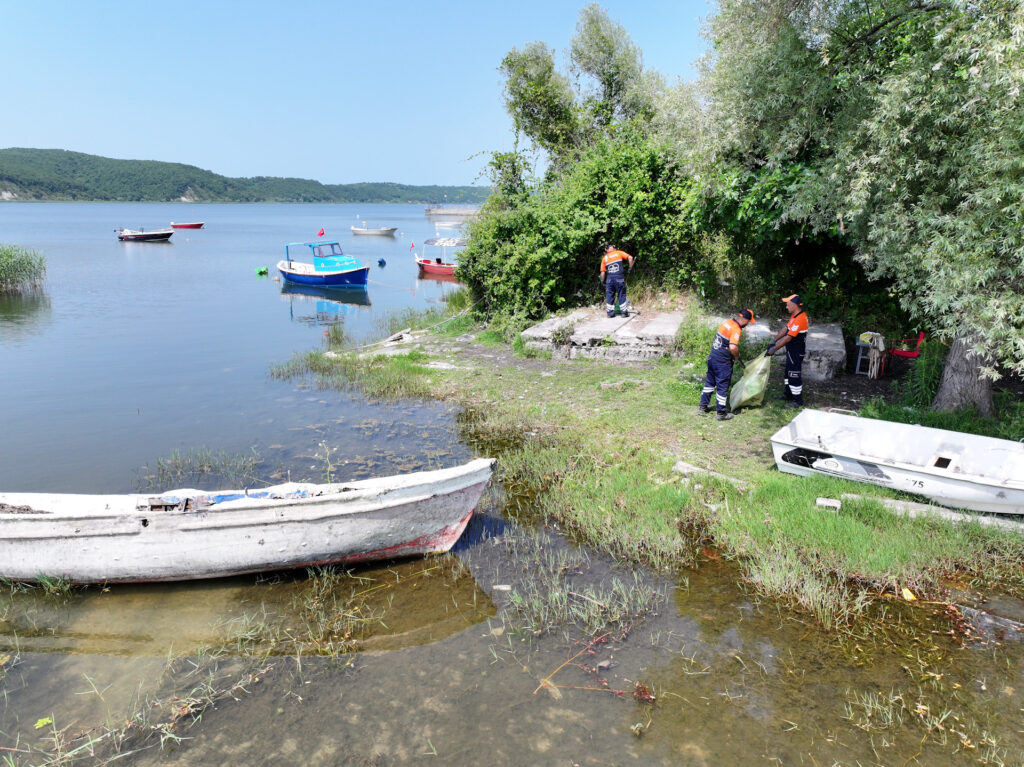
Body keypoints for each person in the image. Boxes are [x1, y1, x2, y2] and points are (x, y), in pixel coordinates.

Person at [699, 309, 756, 421]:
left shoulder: (728, 322)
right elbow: (733, 347)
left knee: (709, 383)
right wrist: (737, 356)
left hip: (713, 357)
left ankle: (703, 407)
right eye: (749, 322)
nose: (748, 324)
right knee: (722, 386)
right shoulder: (736, 329)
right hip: (722, 362)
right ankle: (721, 413)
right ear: (745, 320)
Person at [766, 294, 810, 408]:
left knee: (794, 374)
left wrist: (774, 349)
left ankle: (798, 401)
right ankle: (788, 394)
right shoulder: (794, 316)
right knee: (787, 372)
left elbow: (788, 338)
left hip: (796, 352)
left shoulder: (800, 318)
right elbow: (786, 329)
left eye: (787, 304)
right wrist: (774, 340)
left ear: (794, 305)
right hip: (791, 351)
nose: (786, 307)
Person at [599, 244, 635, 318]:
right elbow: (630, 258)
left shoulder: (605, 258)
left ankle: (610, 313)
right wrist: (630, 268)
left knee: (610, 295)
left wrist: (602, 281)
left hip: (609, 279)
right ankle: (624, 313)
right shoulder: (619, 253)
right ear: (614, 249)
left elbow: (602, 272)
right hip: (619, 278)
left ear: (607, 250)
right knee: (621, 294)